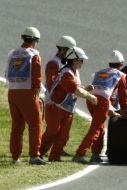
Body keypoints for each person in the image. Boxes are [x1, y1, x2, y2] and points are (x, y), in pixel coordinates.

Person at [40, 46, 97, 162]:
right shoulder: (66, 73)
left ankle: (54, 158)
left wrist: (85, 89)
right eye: (81, 60)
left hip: (67, 108)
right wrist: (90, 96)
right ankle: (38, 153)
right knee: (52, 131)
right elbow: (74, 89)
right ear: (74, 60)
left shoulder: (74, 72)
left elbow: (74, 89)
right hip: (56, 107)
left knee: (64, 135)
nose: (82, 63)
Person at [72, 50, 127, 164]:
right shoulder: (120, 75)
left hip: (91, 99)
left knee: (100, 127)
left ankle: (95, 154)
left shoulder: (99, 72)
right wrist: (124, 111)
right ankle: (79, 154)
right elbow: (123, 95)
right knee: (96, 128)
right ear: (121, 64)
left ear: (109, 63)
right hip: (102, 101)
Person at [5, 26, 49, 165]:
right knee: (36, 124)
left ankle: (15, 157)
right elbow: (37, 77)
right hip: (27, 93)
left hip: (12, 92)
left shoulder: (12, 53)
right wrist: (36, 92)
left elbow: (6, 74)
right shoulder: (33, 54)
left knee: (17, 126)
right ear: (35, 40)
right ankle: (34, 156)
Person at [40, 36, 76, 158]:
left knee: (64, 132)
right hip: (54, 103)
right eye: (69, 50)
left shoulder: (69, 63)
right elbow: (51, 83)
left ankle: (57, 151)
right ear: (62, 50)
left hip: (67, 102)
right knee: (52, 130)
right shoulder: (53, 63)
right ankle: (39, 152)